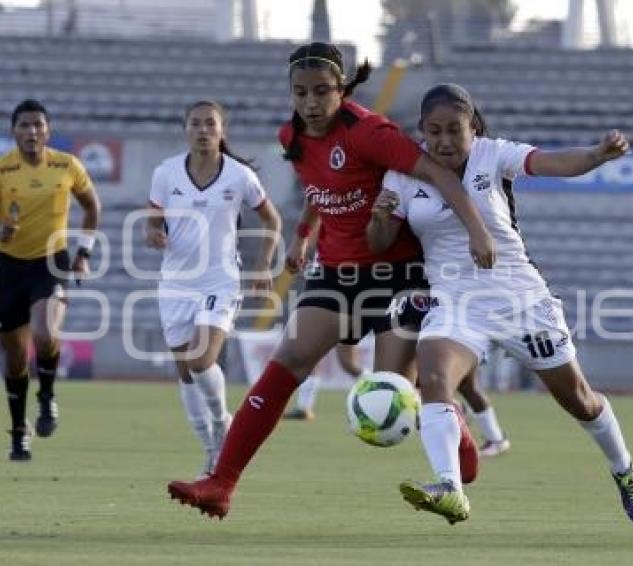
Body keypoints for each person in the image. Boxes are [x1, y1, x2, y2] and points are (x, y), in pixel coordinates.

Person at [167, 42, 496, 519]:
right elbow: (320, 189)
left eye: (322, 91)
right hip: (337, 272)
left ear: (341, 90)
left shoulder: (371, 133)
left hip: (399, 274)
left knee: (391, 388)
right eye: (300, 93)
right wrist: (303, 237)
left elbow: (440, 174)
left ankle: (457, 433)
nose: (310, 102)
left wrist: (478, 232)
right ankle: (221, 483)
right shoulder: (291, 137)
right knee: (288, 359)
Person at [368, 83, 633, 525]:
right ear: (421, 131)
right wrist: (381, 217)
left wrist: (596, 155)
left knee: (579, 401)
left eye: (455, 131)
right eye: (434, 131)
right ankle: (450, 487)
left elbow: (551, 161)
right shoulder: (403, 174)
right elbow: (379, 242)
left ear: (473, 128)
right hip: (456, 302)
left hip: (521, 300)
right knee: (435, 373)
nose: (444, 141)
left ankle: (625, 470)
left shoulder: (493, 154)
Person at [146, 100, 281, 479]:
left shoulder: (239, 176)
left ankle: (223, 422)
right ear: (185, 129)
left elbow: (271, 219)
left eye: (210, 124)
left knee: (200, 359)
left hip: (220, 280)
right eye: (195, 123)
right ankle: (209, 449)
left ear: (222, 130)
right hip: (175, 283)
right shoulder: (166, 173)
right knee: (185, 372)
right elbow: (152, 218)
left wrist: (262, 264)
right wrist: (153, 232)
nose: (203, 130)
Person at [0, 99, 101, 461]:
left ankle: (48, 396)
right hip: (9, 268)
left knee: (44, 333)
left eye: (38, 124)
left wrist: (83, 254)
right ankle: (19, 433)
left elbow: (92, 207)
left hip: (51, 263)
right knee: (13, 357)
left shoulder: (67, 165)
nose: (32, 131)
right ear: (14, 131)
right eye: (24, 125)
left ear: (48, 130)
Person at [283, 343, 364, 421]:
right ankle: (304, 408)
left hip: (346, 328)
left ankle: (373, 391)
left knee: (349, 364)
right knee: (309, 359)